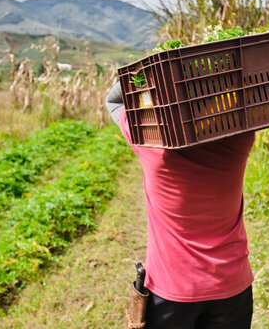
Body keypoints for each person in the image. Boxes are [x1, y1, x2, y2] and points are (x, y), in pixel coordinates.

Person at [106, 81, 255, 329]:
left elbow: (114, 100)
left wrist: (148, 75)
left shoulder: (152, 142)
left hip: (171, 292)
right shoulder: (240, 138)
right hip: (231, 286)